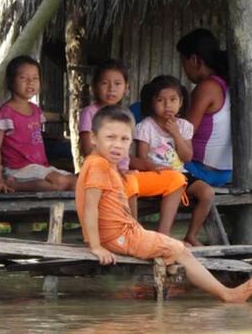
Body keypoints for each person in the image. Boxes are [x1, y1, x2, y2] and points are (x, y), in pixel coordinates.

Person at [76, 105, 252, 303]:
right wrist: (96, 247)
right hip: (119, 238)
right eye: (110, 137)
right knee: (180, 250)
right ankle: (228, 295)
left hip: (122, 234)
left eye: (124, 139)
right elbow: (89, 208)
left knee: (176, 248)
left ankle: (216, 291)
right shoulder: (98, 165)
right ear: (93, 138)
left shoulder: (101, 163)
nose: (117, 145)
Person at [78, 59, 186, 235]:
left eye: (117, 83)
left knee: (176, 179)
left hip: (125, 174)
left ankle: (163, 236)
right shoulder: (90, 113)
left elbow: (125, 157)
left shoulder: (126, 115)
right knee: (130, 182)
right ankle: (133, 235)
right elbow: (88, 152)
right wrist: (114, 170)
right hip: (102, 176)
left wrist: (149, 166)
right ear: (94, 87)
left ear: (126, 87)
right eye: (105, 83)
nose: (111, 89)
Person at [135, 76, 215, 246]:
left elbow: (187, 157)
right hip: (156, 174)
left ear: (181, 102)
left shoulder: (184, 126)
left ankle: (191, 235)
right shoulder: (146, 127)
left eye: (173, 100)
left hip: (181, 173)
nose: (167, 105)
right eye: (161, 100)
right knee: (174, 184)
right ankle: (163, 235)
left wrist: (176, 134)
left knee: (207, 193)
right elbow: (142, 159)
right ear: (152, 103)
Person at [0, 55, 75, 193]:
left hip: (39, 167)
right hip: (18, 170)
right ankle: (15, 185)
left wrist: (53, 137)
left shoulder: (36, 110)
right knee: (60, 182)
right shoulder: (5, 113)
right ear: (11, 81)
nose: (30, 82)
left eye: (35, 78)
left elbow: (33, 134)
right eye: (23, 78)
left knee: (76, 183)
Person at [177, 29, 232, 187]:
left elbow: (185, 132)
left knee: (140, 113)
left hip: (201, 171)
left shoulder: (207, 88)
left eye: (183, 62)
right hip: (226, 172)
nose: (184, 68)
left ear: (194, 60)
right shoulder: (225, 83)